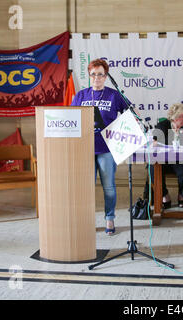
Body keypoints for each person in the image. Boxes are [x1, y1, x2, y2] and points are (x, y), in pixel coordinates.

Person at [71, 59, 129, 235]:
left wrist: (122, 131)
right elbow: (73, 119)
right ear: (89, 76)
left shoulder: (114, 95)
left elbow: (130, 114)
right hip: (85, 149)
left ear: (106, 76)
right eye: (94, 74)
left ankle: (109, 219)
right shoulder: (81, 95)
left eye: (101, 74)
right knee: (86, 187)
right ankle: (87, 220)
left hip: (106, 149)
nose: (97, 77)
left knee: (109, 186)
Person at [146, 103, 183, 208]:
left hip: (181, 161)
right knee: (152, 168)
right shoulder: (163, 125)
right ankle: (165, 195)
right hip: (163, 161)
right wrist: (156, 143)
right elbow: (152, 143)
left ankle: (181, 195)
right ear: (175, 118)